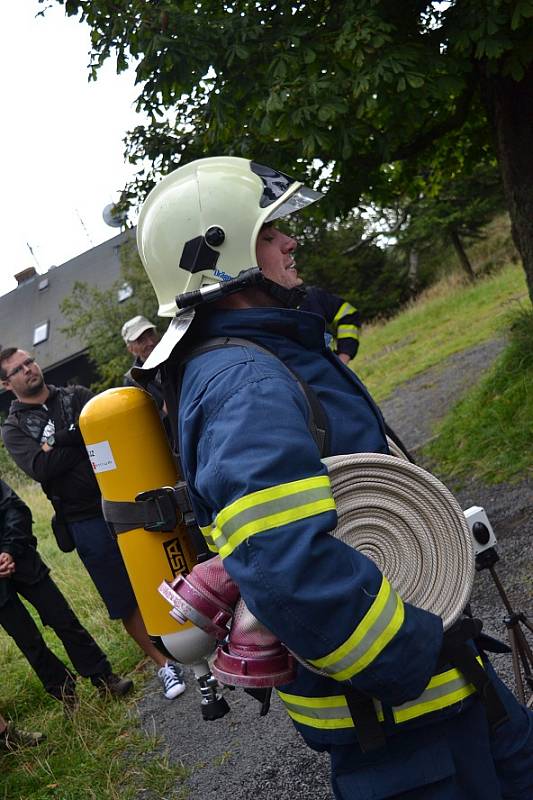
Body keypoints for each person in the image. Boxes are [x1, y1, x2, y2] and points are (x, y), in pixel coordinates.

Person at [133, 156, 533, 800]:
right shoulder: (248, 382)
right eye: (269, 232)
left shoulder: (266, 352)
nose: (291, 242)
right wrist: (417, 643)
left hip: (442, 706)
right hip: (408, 729)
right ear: (220, 253)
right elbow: (285, 562)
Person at [0, 354, 185, 701]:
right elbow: (41, 467)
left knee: (164, 568)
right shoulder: (14, 428)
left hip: (123, 499)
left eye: (30, 362)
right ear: (6, 384)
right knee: (121, 597)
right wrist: (79, 437)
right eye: (18, 370)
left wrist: (58, 443)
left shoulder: (77, 395)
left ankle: (196, 639)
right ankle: (163, 664)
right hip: (81, 519)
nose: (29, 369)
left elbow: (106, 434)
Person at [0, 478, 129, 708]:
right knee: (28, 641)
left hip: (21, 559)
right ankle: (65, 694)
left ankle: (103, 678)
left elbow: (15, 508)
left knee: (63, 619)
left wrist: (9, 549)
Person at [299, 285, 361, 364]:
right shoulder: (279, 314)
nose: (294, 271)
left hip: (330, 371)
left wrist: (344, 355)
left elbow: (348, 315)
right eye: (286, 271)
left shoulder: (311, 296)